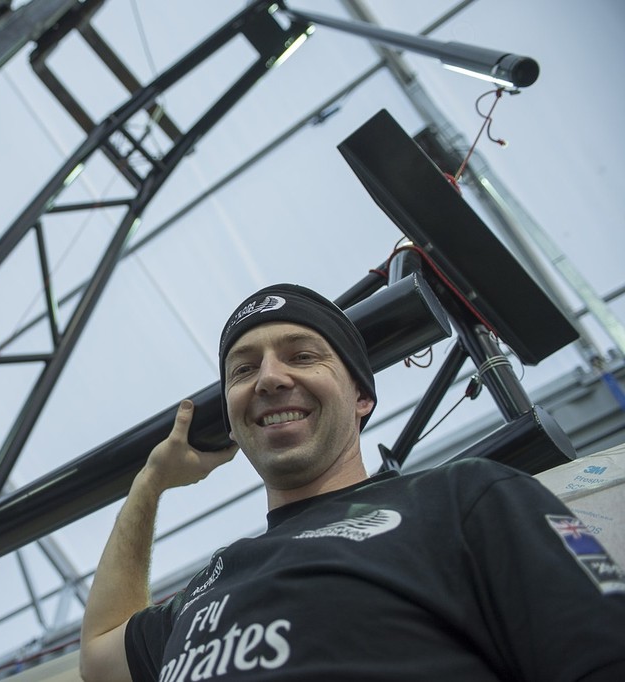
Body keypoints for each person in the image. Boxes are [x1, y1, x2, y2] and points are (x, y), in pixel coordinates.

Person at [78, 283, 625, 681]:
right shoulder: (205, 590)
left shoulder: (465, 500)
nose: (268, 377)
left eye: (302, 356)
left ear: (361, 396)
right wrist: (149, 483)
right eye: (243, 370)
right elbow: (99, 656)